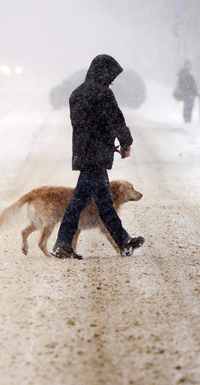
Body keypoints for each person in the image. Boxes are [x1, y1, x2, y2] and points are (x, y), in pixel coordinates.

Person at [52, 54, 145, 260]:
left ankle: (124, 241)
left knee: (104, 204)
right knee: (78, 202)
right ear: (103, 73)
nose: (112, 80)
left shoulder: (77, 93)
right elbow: (115, 120)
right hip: (97, 155)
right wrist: (125, 143)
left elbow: (81, 124)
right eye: (111, 76)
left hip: (84, 152)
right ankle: (63, 243)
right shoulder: (103, 94)